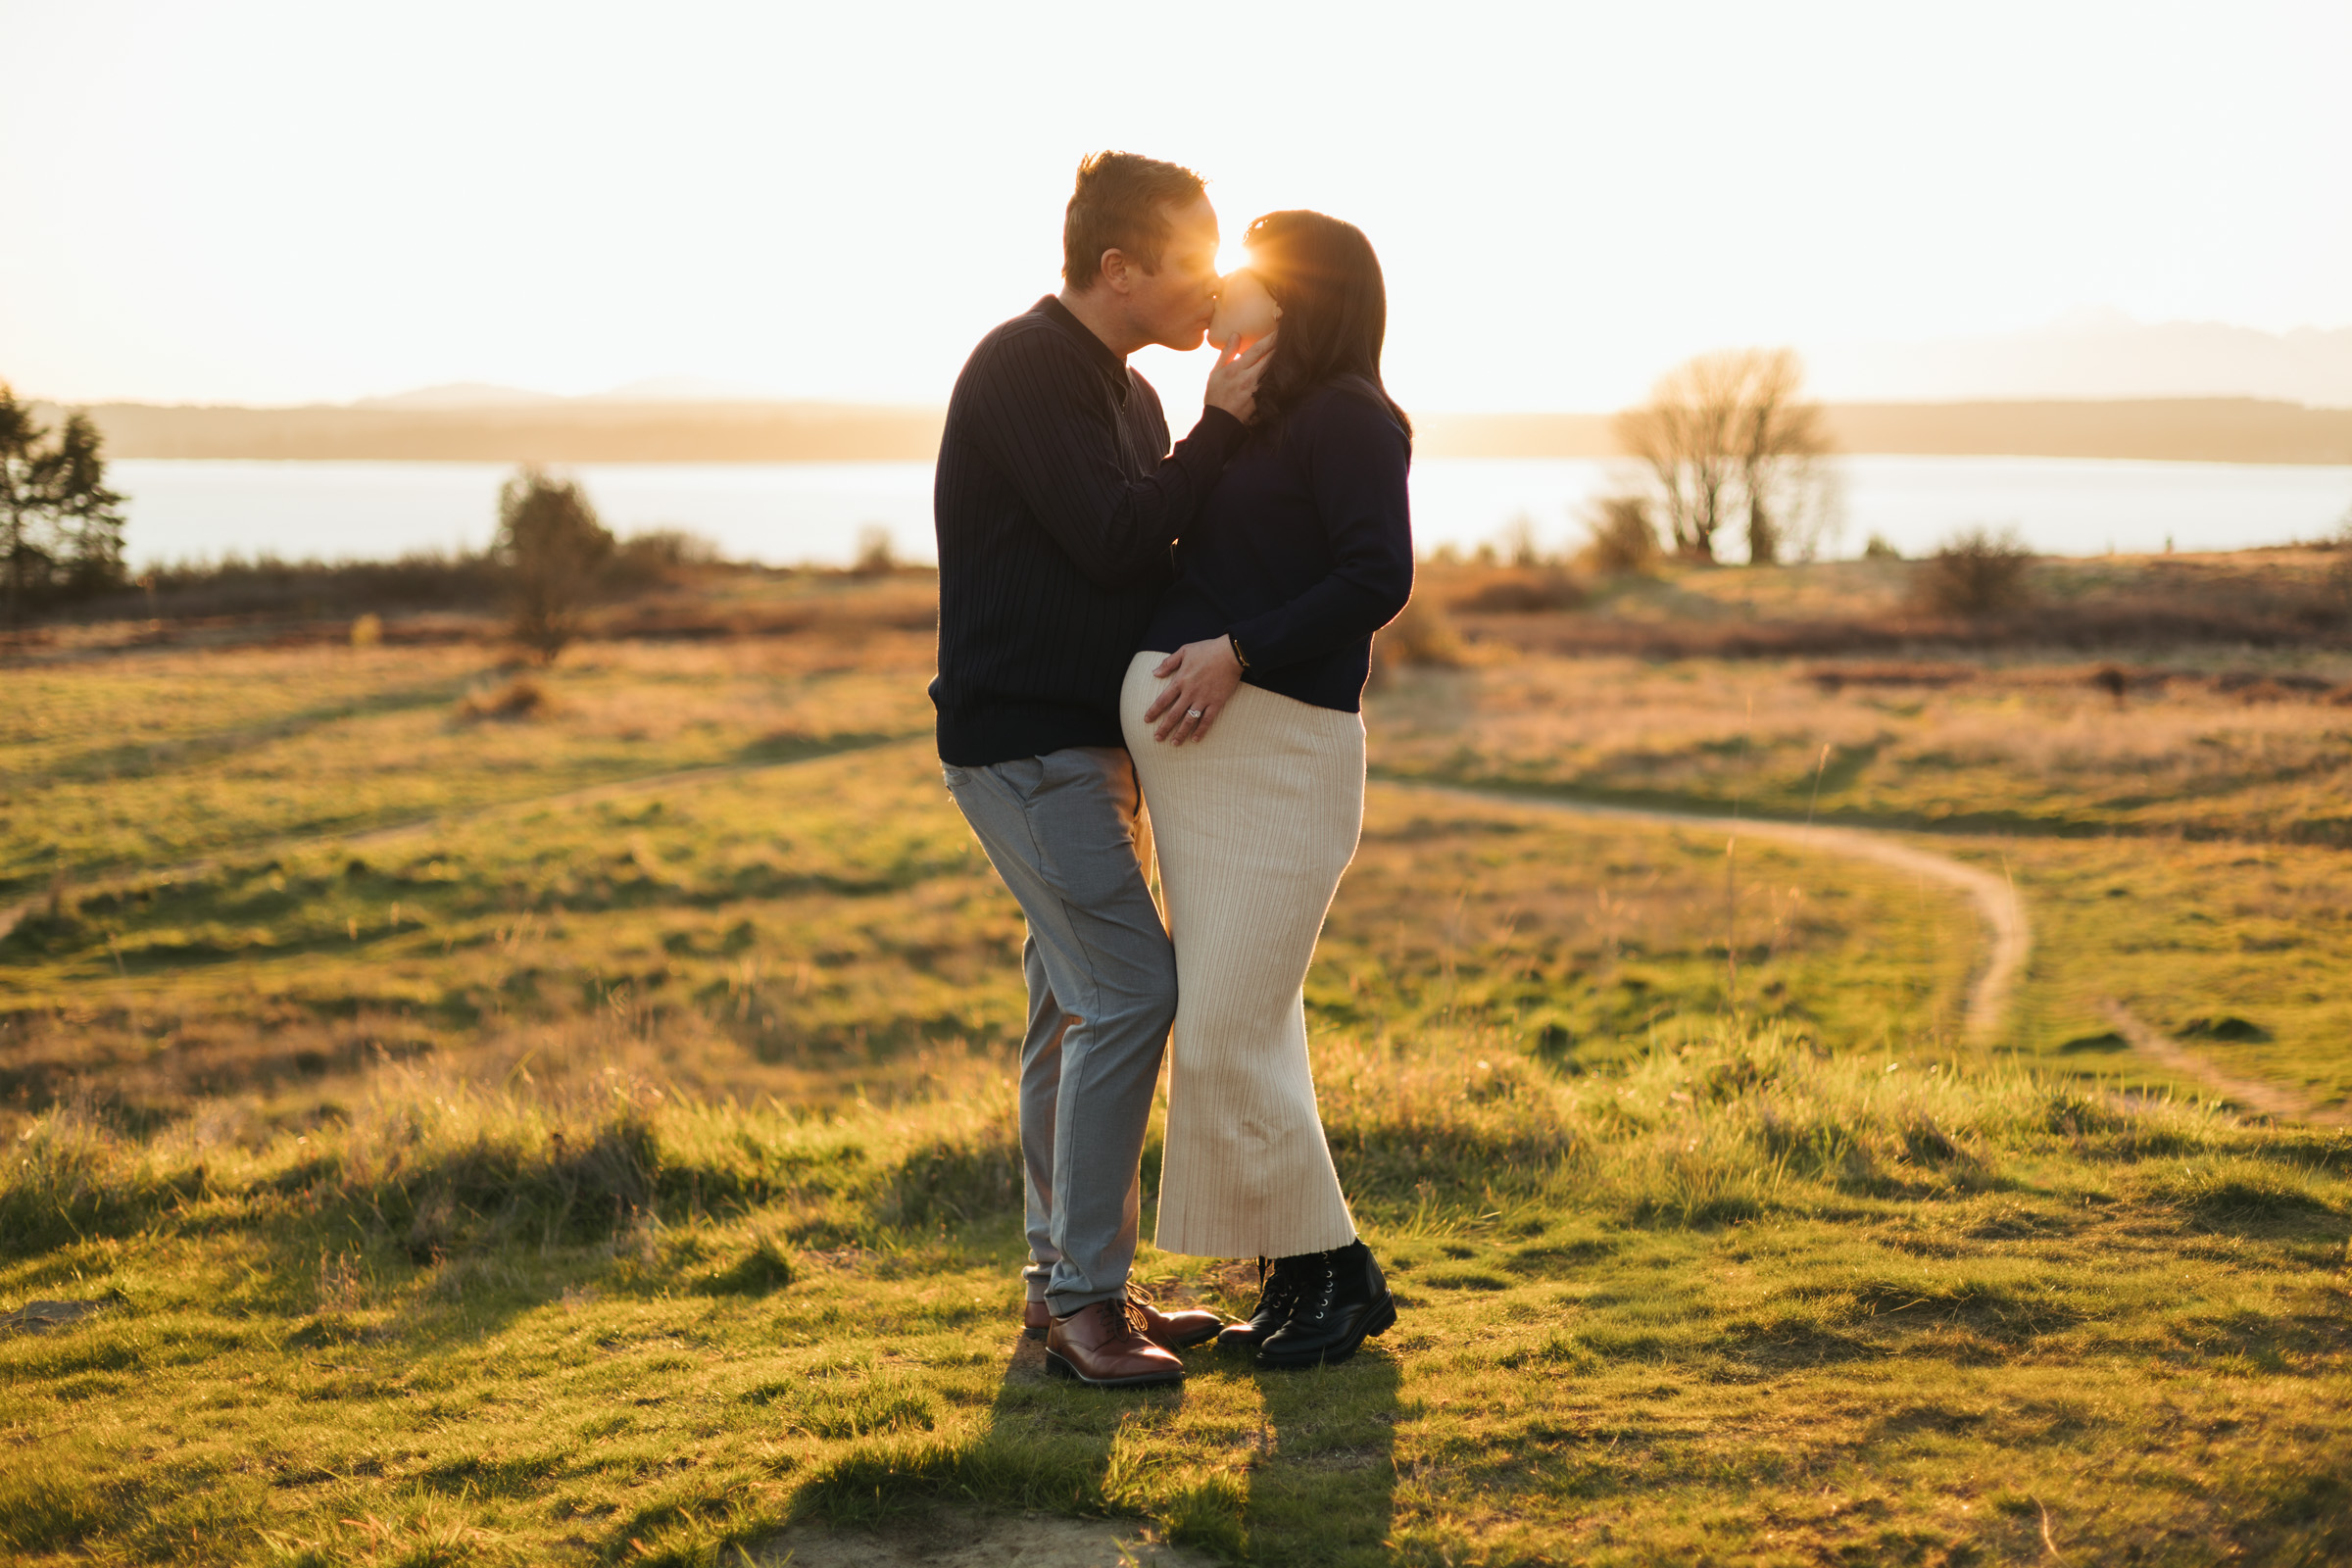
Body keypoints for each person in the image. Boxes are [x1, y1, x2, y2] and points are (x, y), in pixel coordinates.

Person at [932, 152, 1275, 1389]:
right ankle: (1085, 1302)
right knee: (1131, 992)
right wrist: (1223, 423)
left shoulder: (1126, 396)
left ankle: (1064, 1285)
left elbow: (1147, 553)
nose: (1216, 282)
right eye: (1194, 259)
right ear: (1117, 268)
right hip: (1025, 749)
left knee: (1074, 1008)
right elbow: (1120, 533)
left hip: (1088, 752)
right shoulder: (1027, 369)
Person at [1119, 209, 1413, 1369]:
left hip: (1281, 753)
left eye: (1244, 266)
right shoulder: (1246, 411)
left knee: (1233, 1026)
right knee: (1256, 1028)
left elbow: (1375, 574)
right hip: (1212, 764)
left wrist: (1239, 649)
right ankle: (1300, 1282)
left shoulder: (1349, 415)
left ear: (1292, 297)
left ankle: (1340, 1270)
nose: (1222, 282)